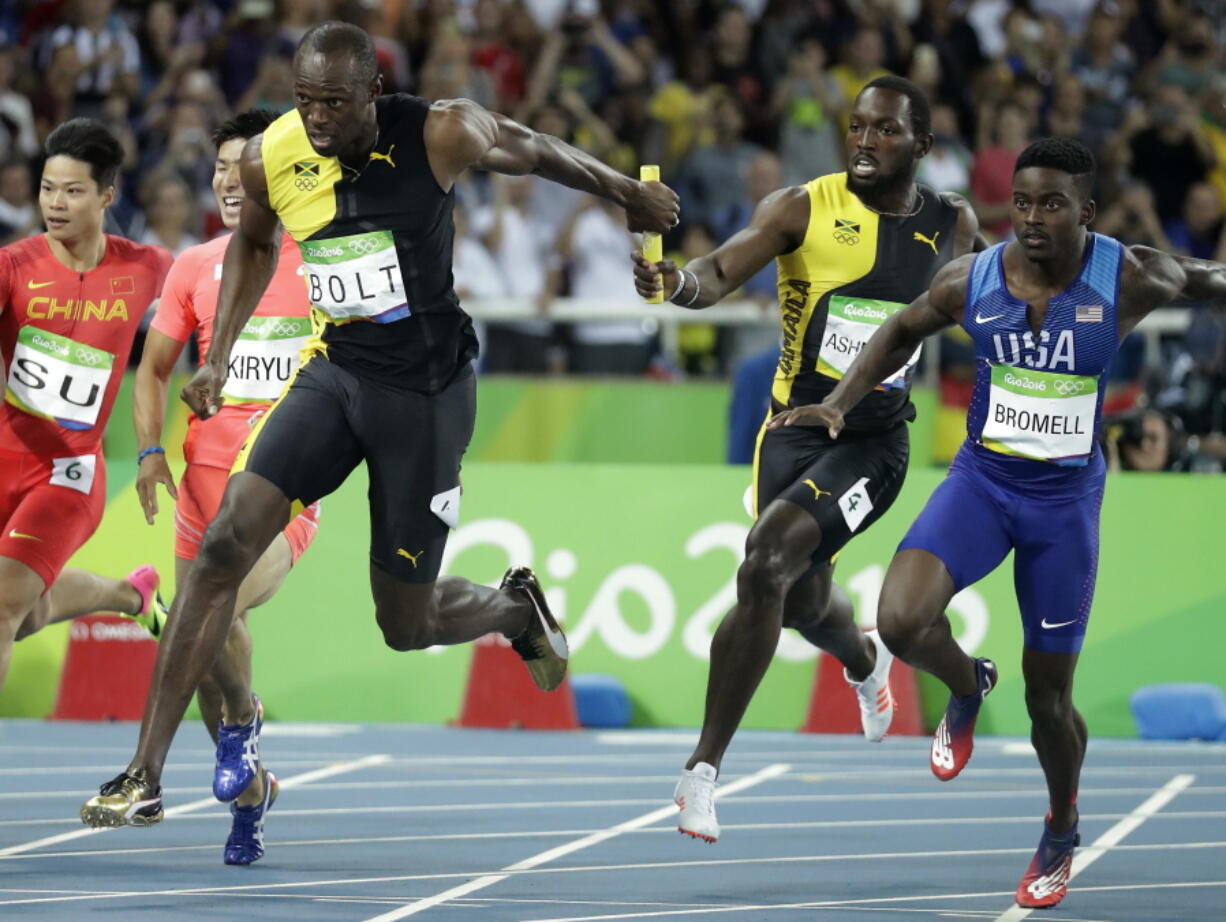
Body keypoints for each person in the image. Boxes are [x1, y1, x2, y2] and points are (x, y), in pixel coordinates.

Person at [82, 20, 677, 831]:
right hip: (338, 373)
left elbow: (535, 148)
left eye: (333, 102)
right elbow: (253, 247)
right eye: (303, 100)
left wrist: (626, 191)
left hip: (426, 400)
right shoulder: (275, 153)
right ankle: (143, 774)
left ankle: (512, 609)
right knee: (220, 549)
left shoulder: (439, 130)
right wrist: (216, 356)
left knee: (406, 622)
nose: (316, 118)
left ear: (372, 91)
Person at [776, 137, 1226, 909]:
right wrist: (839, 402)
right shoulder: (973, 278)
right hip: (982, 484)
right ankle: (967, 683)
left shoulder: (1130, 274)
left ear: (1085, 212)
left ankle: (1060, 825)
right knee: (900, 619)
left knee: (1049, 701)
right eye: (1021, 203)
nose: (1031, 219)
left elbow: (1210, 280)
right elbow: (898, 331)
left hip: (1064, 509)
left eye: (1051, 204)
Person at [632, 75, 984, 844]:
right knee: (797, 598)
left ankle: (701, 772)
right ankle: (861, 658)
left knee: (767, 562)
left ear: (922, 146)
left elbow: (999, 301)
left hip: (874, 443)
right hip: (791, 430)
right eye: (856, 126)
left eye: (885, 130)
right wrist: (677, 282)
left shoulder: (952, 224)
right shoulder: (803, 205)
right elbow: (720, 272)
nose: (864, 140)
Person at [132, 108, 321, 865]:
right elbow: (151, 369)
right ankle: (250, 791)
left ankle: (242, 727)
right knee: (207, 646)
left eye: (242, 166)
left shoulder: (319, 261)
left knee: (204, 613)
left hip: (284, 488)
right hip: (198, 491)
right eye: (218, 168)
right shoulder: (193, 267)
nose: (227, 180)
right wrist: (149, 451)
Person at [0, 119, 171, 691]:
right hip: (7, 456)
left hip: (69, 473)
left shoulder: (146, 268)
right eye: (48, 188)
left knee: (3, 608)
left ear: (106, 195)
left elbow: (212, 301)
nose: (55, 202)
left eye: (73, 191)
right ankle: (130, 594)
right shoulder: (13, 267)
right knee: (25, 614)